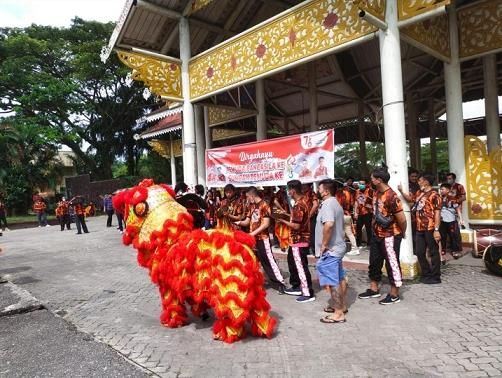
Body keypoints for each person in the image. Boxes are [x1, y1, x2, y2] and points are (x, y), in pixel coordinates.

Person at [358, 167, 407, 304]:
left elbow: (402, 219)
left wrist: (402, 233)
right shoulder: (376, 193)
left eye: (372, 178)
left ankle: (394, 293)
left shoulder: (392, 196)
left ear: (379, 180)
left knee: (392, 263)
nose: (371, 180)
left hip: (390, 235)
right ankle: (374, 289)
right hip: (376, 234)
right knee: (374, 262)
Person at [236, 187, 286, 294]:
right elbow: (247, 222)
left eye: (248, 197)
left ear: (252, 196)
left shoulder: (264, 205)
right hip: (253, 240)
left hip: (263, 238)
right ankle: (255, 282)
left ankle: (280, 283)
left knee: (268, 261)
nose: (247, 199)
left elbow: (266, 224)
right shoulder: (251, 206)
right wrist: (238, 223)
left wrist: (252, 234)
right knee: (253, 262)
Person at [315, 179, 348, 323]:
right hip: (338, 247)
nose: (318, 190)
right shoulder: (334, 202)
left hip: (331, 249)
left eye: (320, 188)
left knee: (333, 280)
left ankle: (339, 313)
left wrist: (324, 244)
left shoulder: (328, 204)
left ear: (326, 191)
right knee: (339, 277)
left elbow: (328, 225)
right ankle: (340, 306)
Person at [276, 180, 315, 303]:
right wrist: (285, 215)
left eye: (289, 190)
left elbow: (296, 226)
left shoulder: (299, 205)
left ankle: (308, 292)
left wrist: (282, 221)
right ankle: (299, 287)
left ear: (292, 190)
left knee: (301, 267)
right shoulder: (302, 202)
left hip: (299, 240)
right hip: (298, 240)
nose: (288, 192)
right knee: (296, 264)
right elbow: (297, 219)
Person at [407, 174, 442, 284]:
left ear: (426, 182)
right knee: (419, 252)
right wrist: (402, 191)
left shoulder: (435, 195)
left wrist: (436, 229)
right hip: (419, 227)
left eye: (420, 180)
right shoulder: (419, 193)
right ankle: (426, 273)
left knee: (433, 252)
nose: (418, 182)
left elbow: (437, 213)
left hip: (430, 227)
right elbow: (411, 200)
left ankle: (436, 276)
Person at [439, 183, 463, 259]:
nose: (441, 191)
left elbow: (457, 209)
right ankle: (443, 249)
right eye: (440, 189)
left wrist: (461, 219)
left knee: (454, 236)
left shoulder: (453, 199)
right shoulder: (438, 198)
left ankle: (455, 251)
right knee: (442, 236)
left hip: (451, 220)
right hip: (442, 221)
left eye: (443, 189)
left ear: (448, 190)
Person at [336, 181, 358, 256]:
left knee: (339, 232)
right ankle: (355, 248)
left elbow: (337, 206)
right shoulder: (348, 193)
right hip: (347, 214)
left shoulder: (338, 195)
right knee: (349, 233)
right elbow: (352, 203)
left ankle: (341, 248)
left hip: (340, 215)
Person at [354, 179, 373, 247]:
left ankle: (370, 243)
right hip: (360, 213)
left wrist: (369, 206)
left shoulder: (369, 191)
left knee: (368, 229)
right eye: (360, 184)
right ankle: (358, 243)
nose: (361, 185)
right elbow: (356, 201)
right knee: (358, 228)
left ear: (365, 184)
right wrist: (355, 212)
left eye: (363, 184)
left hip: (367, 213)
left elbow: (374, 201)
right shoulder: (357, 191)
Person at [302, 183, 319, 256]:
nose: (302, 186)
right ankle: (306, 249)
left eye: (304, 185)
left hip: (311, 217)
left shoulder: (312, 193)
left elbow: (315, 205)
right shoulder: (302, 194)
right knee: (305, 233)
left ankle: (315, 250)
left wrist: (309, 215)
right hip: (304, 217)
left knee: (312, 234)